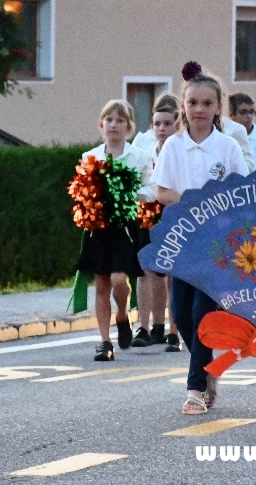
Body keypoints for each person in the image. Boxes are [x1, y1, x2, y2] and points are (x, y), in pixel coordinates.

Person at [153, 62, 249, 415]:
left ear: (218, 108)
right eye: (193, 103)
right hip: (183, 241)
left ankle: (195, 389)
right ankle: (209, 370)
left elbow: (242, 194)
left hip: (218, 244)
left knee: (203, 311)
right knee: (181, 312)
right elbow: (162, 192)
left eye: (207, 104)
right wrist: (190, 202)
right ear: (184, 106)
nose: (199, 110)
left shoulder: (228, 148)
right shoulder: (173, 147)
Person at [77, 100, 156, 361]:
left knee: (119, 280)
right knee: (101, 285)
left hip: (125, 227)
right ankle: (104, 341)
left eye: (120, 120)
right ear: (102, 124)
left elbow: (152, 189)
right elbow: (81, 191)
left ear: (129, 127)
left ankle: (122, 315)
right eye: (109, 120)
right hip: (98, 227)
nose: (114, 125)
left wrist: (128, 193)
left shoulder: (139, 157)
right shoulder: (91, 156)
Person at [132, 99, 182, 352]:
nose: (161, 129)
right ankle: (147, 325)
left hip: (173, 213)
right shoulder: (145, 154)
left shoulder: (180, 153)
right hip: (148, 213)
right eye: (157, 124)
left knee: (172, 274)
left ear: (177, 126)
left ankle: (174, 330)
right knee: (145, 271)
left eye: (167, 124)